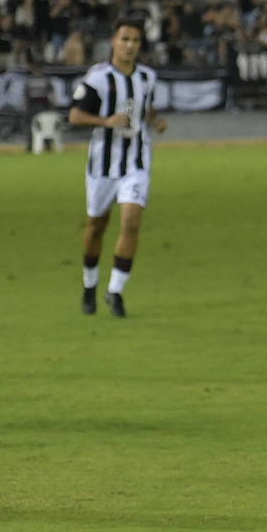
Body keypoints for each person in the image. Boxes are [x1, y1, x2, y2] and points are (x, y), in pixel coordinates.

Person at [67, 18, 167, 317]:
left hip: (136, 161)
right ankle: (89, 285)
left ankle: (115, 291)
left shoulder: (148, 77)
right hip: (102, 165)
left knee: (131, 221)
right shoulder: (98, 78)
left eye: (135, 41)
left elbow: (144, 107)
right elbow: (74, 117)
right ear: (113, 41)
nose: (129, 46)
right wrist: (105, 121)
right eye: (125, 39)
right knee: (96, 227)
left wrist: (154, 121)